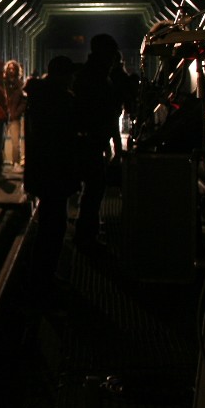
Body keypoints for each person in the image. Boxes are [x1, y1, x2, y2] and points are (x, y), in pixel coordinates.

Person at [23, 55, 79, 294]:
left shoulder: (38, 97)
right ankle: (43, 281)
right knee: (54, 227)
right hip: (56, 172)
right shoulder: (61, 100)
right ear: (63, 76)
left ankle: (41, 277)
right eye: (70, 74)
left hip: (42, 171)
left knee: (48, 224)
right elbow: (66, 137)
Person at [72, 33, 124, 249]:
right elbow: (106, 113)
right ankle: (86, 235)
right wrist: (114, 144)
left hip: (87, 140)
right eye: (111, 54)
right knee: (94, 188)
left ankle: (85, 232)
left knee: (92, 189)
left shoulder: (87, 75)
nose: (113, 59)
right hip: (90, 141)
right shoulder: (99, 78)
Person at [4, 59, 28, 169]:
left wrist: (17, 112)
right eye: (9, 68)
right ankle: (0, 163)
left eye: (13, 69)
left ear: (17, 70)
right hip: (3, 116)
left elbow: (24, 101)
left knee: (15, 142)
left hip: (14, 117)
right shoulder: (3, 83)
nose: (11, 70)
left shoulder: (20, 85)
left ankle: (16, 162)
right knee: (0, 141)